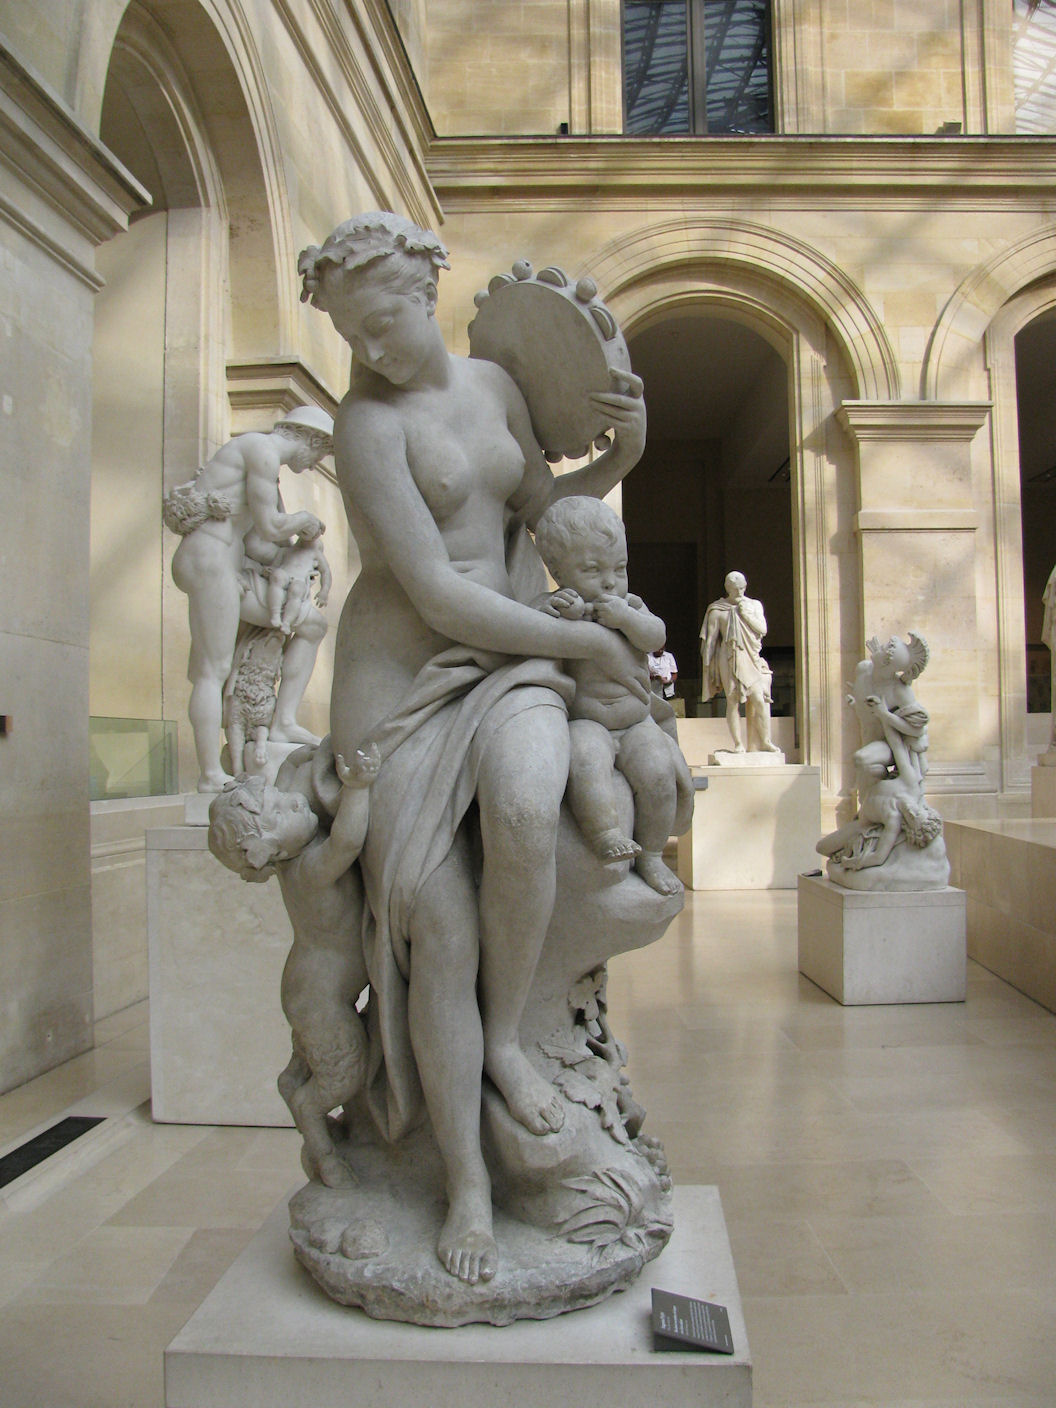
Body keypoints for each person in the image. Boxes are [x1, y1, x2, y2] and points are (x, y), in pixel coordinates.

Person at [298, 211, 647, 1285]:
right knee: (439, 928)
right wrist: (583, 640)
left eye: (387, 321)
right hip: (404, 683)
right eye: (352, 334)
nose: (373, 348)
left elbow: (541, 511)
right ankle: (464, 1185)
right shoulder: (366, 426)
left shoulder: (494, 387)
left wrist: (624, 453)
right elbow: (439, 592)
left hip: (514, 656)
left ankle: (504, 1038)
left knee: (530, 802)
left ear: (427, 296)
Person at [207, 744, 380, 1189]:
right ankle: (314, 1128)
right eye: (281, 810)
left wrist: (311, 754)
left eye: (280, 798)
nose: (294, 800)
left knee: (311, 1060)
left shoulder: (289, 840)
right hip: (321, 997)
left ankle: (294, 1083)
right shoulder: (309, 869)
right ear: (268, 848)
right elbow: (348, 842)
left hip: (306, 987)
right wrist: (358, 788)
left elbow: (287, 771)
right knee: (343, 1076)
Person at [165, 407, 333, 792]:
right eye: (320, 454)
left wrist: (303, 554)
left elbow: (259, 544)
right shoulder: (261, 449)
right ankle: (210, 774)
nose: (314, 465)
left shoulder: (263, 463)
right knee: (212, 669)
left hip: (225, 565)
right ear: (310, 439)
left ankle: (283, 721)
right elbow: (271, 527)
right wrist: (304, 520)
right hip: (209, 562)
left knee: (312, 624)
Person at [533, 496, 687, 896]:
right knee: (586, 763)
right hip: (587, 722)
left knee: (659, 774)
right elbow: (534, 630)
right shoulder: (558, 605)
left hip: (636, 723)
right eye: (592, 570)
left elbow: (655, 635)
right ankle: (605, 834)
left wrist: (626, 618)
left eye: (619, 569)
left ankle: (653, 854)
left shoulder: (630, 605)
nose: (609, 582)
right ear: (558, 572)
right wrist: (556, 610)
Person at [700, 570, 781, 754]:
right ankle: (738, 744)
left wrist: (746, 614)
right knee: (732, 700)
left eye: (742, 588)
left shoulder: (753, 605)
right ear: (728, 588)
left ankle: (765, 741)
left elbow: (762, 629)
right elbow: (711, 640)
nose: (740, 592)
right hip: (727, 657)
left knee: (759, 699)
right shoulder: (717, 610)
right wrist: (708, 665)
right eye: (736, 589)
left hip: (750, 656)